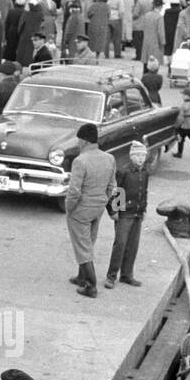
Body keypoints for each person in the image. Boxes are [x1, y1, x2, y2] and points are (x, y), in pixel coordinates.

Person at [65, 123, 116, 299]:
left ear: (85, 141)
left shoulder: (80, 161)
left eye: (79, 140)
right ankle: (81, 277)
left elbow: (74, 191)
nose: (78, 143)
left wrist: (69, 208)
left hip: (81, 210)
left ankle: (91, 286)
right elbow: (112, 186)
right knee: (89, 241)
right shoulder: (109, 158)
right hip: (98, 208)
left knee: (82, 246)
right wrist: (104, 202)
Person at [105, 140, 148, 287]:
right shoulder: (124, 172)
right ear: (131, 157)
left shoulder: (145, 172)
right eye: (138, 156)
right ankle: (111, 276)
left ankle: (126, 275)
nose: (141, 158)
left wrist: (144, 209)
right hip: (125, 214)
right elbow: (117, 191)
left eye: (143, 155)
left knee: (133, 245)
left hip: (138, 213)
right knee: (120, 244)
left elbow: (144, 192)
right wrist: (114, 211)